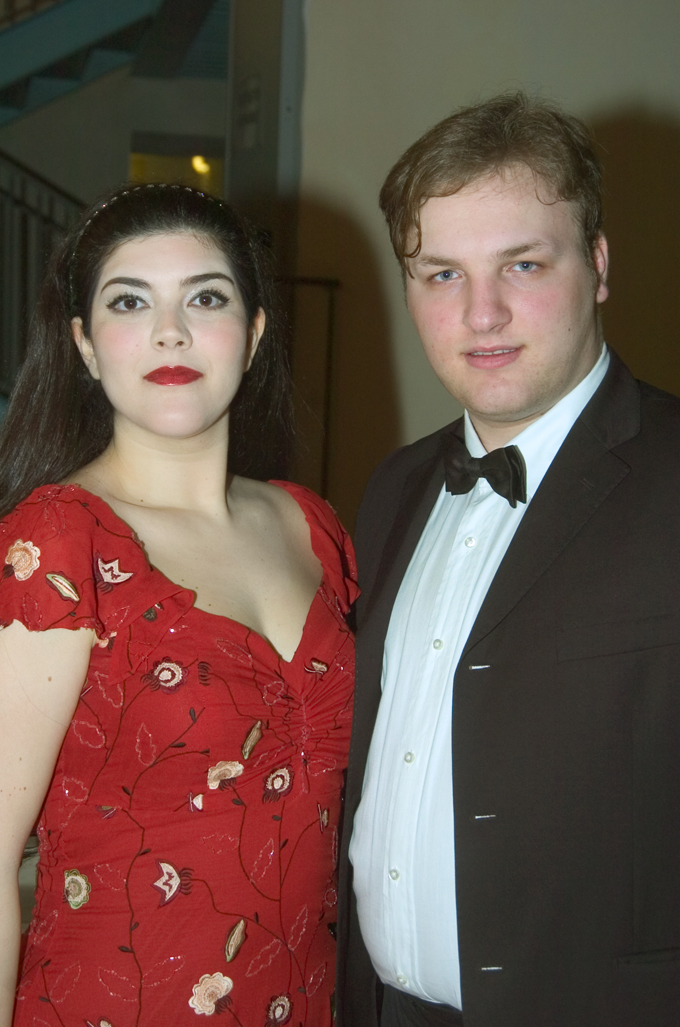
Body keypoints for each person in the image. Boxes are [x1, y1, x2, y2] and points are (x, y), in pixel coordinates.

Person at [337, 92, 680, 1027]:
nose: (481, 312)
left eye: (522, 264)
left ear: (598, 265)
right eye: (441, 274)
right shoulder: (393, 487)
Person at [0, 183, 357, 1026]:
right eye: (130, 302)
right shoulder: (59, 541)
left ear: (255, 333)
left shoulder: (312, 526)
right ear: (85, 345)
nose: (171, 331)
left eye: (206, 297)